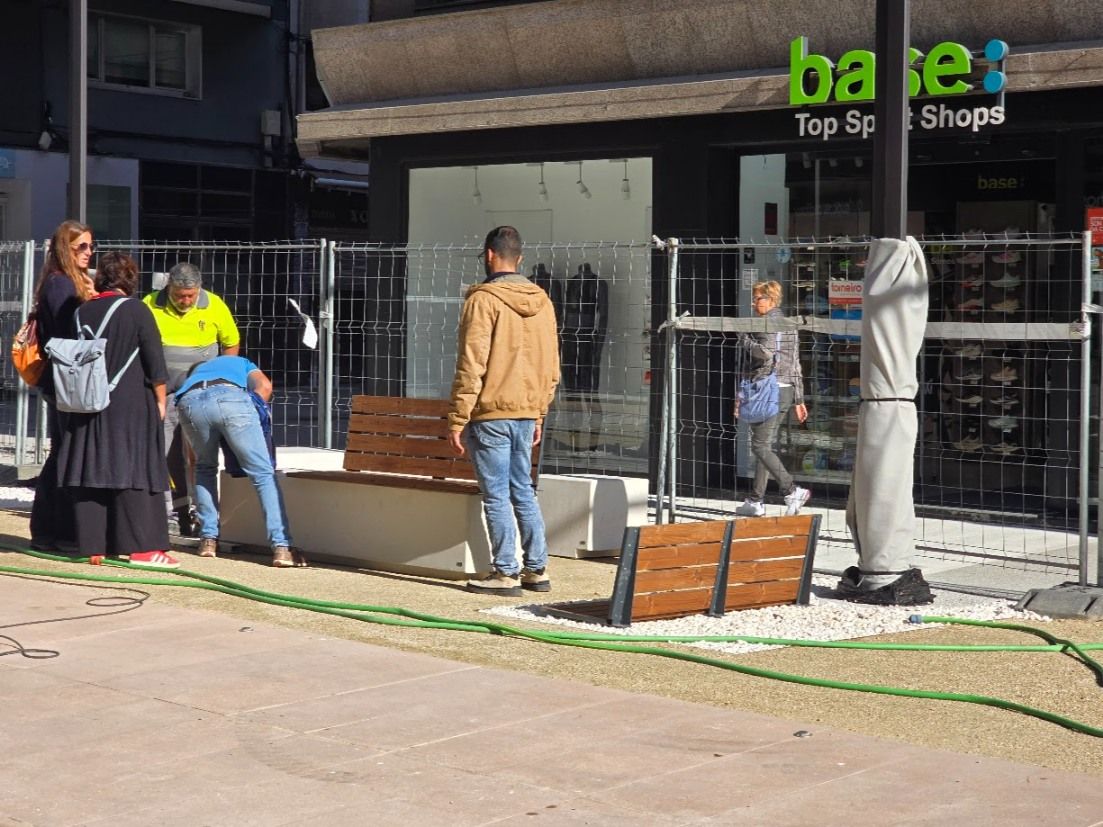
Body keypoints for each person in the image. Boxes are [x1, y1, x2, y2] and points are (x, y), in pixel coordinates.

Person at [448, 226, 560, 596]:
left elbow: (472, 364)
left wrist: (458, 417)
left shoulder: (483, 300)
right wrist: (539, 410)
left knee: (496, 494)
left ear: (489, 255)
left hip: (492, 411)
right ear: (520, 258)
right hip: (526, 412)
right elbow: (551, 365)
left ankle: (505, 572)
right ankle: (537, 569)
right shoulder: (543, 301)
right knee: (523, 490)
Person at [54, 252, 179, 569]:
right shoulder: (136, 310)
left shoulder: (81, 312)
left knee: (91, 467)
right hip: (130, 402)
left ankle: (94, 545)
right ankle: (142, 549)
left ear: (100, 279)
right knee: (134, 469)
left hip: (86, 401)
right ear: (130, 280)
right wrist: (161, 402)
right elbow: (155, 363)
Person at [175, 355, 303, 568]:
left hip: (189, 402)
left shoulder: (192, 380)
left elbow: (192, 460)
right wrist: (250, 419)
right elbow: (264, 387)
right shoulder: (241, 362)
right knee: (263, 474)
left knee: (204, 469)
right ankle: (282, 547)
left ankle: (208, 541)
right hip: (230, 397)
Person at [143, 262, 240, 536]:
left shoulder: (215, 305)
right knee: (163, 453)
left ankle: (203, 512)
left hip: (201, 394)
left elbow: (231, 342)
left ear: (199, 289)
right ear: (168, 288)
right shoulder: (150, 304)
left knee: (199, 455)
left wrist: (222, 376)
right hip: (164, 392)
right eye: (179, 295)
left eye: (190, 296)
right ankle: (170, 512)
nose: (185, 301)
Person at [29, 219, 95, 553]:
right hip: (63, 379)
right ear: (64, 249)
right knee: (64, 454)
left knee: (64, 452)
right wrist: (89, 305)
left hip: (67, 378)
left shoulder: (67, 281)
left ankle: (52, 531)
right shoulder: (59, 284)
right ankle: (50, 530)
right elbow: (67, 332)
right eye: (81, 246)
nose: (89, 252)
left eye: (91, 246)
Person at [734, 280, 811, 517]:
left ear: (771, 299)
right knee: (764, 445)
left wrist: (744, 338)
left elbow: (764, 353)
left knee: (759, 445)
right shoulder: (788, 325)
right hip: (785, 390)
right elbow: (795, 363)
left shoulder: (765, 323)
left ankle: (792, 490)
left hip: (767, 391)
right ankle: (756, 500)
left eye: (757, 298)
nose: (753, 303)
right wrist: (799, 398)